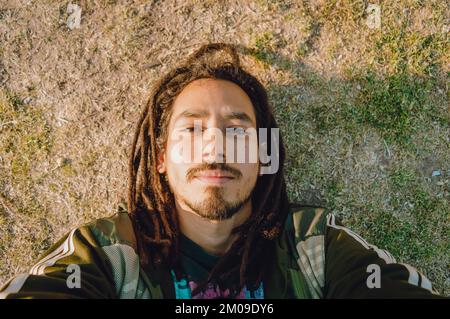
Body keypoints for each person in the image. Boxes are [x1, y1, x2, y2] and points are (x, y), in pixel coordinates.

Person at [0, 43, 442, 299]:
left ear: (264, 155)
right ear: (158, 158)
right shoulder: (105, 253)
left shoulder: (316, 248)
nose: (214, 145)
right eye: (192, 129)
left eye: (237, 129)